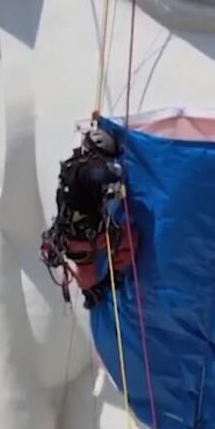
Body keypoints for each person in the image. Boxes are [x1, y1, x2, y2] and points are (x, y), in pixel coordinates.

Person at [40, 127, 136, 309]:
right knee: (131, 241)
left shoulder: (72, 165)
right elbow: (107, 174)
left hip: (71, 237)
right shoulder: (88, 170)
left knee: (87, 277)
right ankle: (113, 276)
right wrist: (116, 171)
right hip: (87, 238)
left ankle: (91, 290)